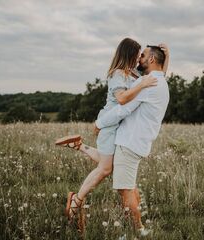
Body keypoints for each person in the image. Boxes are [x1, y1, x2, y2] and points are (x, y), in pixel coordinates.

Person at [55, 38, 169, 224]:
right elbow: (123, 100)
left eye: (143, 55)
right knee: (106, 167)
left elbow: (157, 75)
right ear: (128, 54)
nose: (139, 57)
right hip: (110, 121)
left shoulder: (133, 74)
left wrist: (166, 57)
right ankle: (76, 201)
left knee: (110, 162)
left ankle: (79, 145)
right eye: (137, 54)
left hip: (117, 123)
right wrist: (100, 123)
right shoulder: (119, 74)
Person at [94, 45, 170, 236]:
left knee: (124, 189)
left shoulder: (148, 82)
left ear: (152, 59)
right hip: (138, 142)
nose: (139, 59)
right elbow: (161, 68)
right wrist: (167, 55)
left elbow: (123, 108)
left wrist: (100, 122)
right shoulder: (161, 82)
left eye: (143, 56)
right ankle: (136, 226)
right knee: (129, 185)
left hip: (129, 142)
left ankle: (137, 230)